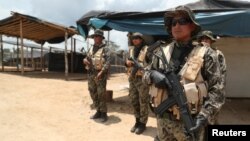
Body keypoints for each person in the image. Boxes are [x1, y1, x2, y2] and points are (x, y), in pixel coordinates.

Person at [142, 6, 225, 141]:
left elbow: (217, 91)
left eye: (182, 21)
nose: (177, 26)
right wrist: (151, 75)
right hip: (163, 121)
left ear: (192, 25)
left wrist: (203, 117)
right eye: (173, 23)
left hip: (190, 124)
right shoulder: (161, 52)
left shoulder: (207, 54)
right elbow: (145, 73)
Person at [198, 30, 227, 125]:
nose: (204, 41)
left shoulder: (218, 54)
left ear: (211, 41)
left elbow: (222, 74)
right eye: (202, 38)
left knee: (212, 118)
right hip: (200, 92)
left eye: (207, 39)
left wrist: (217, 92)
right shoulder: (196, 53)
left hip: (214, 90)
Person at [83, 29, 111, 122]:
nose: (95, 38)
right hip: (91, 73)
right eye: (94, 36)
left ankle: (104, 113)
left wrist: (102, 72)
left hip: (100, 74)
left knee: (101, 94)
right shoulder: (91, 48)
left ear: (101, 38)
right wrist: (84, 60)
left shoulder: (105, 48)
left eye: (97, 36)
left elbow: (108, 62)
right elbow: (86, 57)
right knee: (92, 92)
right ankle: (98, 111)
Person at [125, 32, 150, 134]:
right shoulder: (131, 49)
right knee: (134, 100)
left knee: (143, 101)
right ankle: (137, 121)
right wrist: (126, 63)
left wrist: (143, 67)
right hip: (132, 78)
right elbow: (126, 62)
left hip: (142, 79)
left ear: (141, 39)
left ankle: (143, 124)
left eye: (137, 38)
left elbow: (151, 64)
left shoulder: (147, 50)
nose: (134, 40)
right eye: (133, 38)